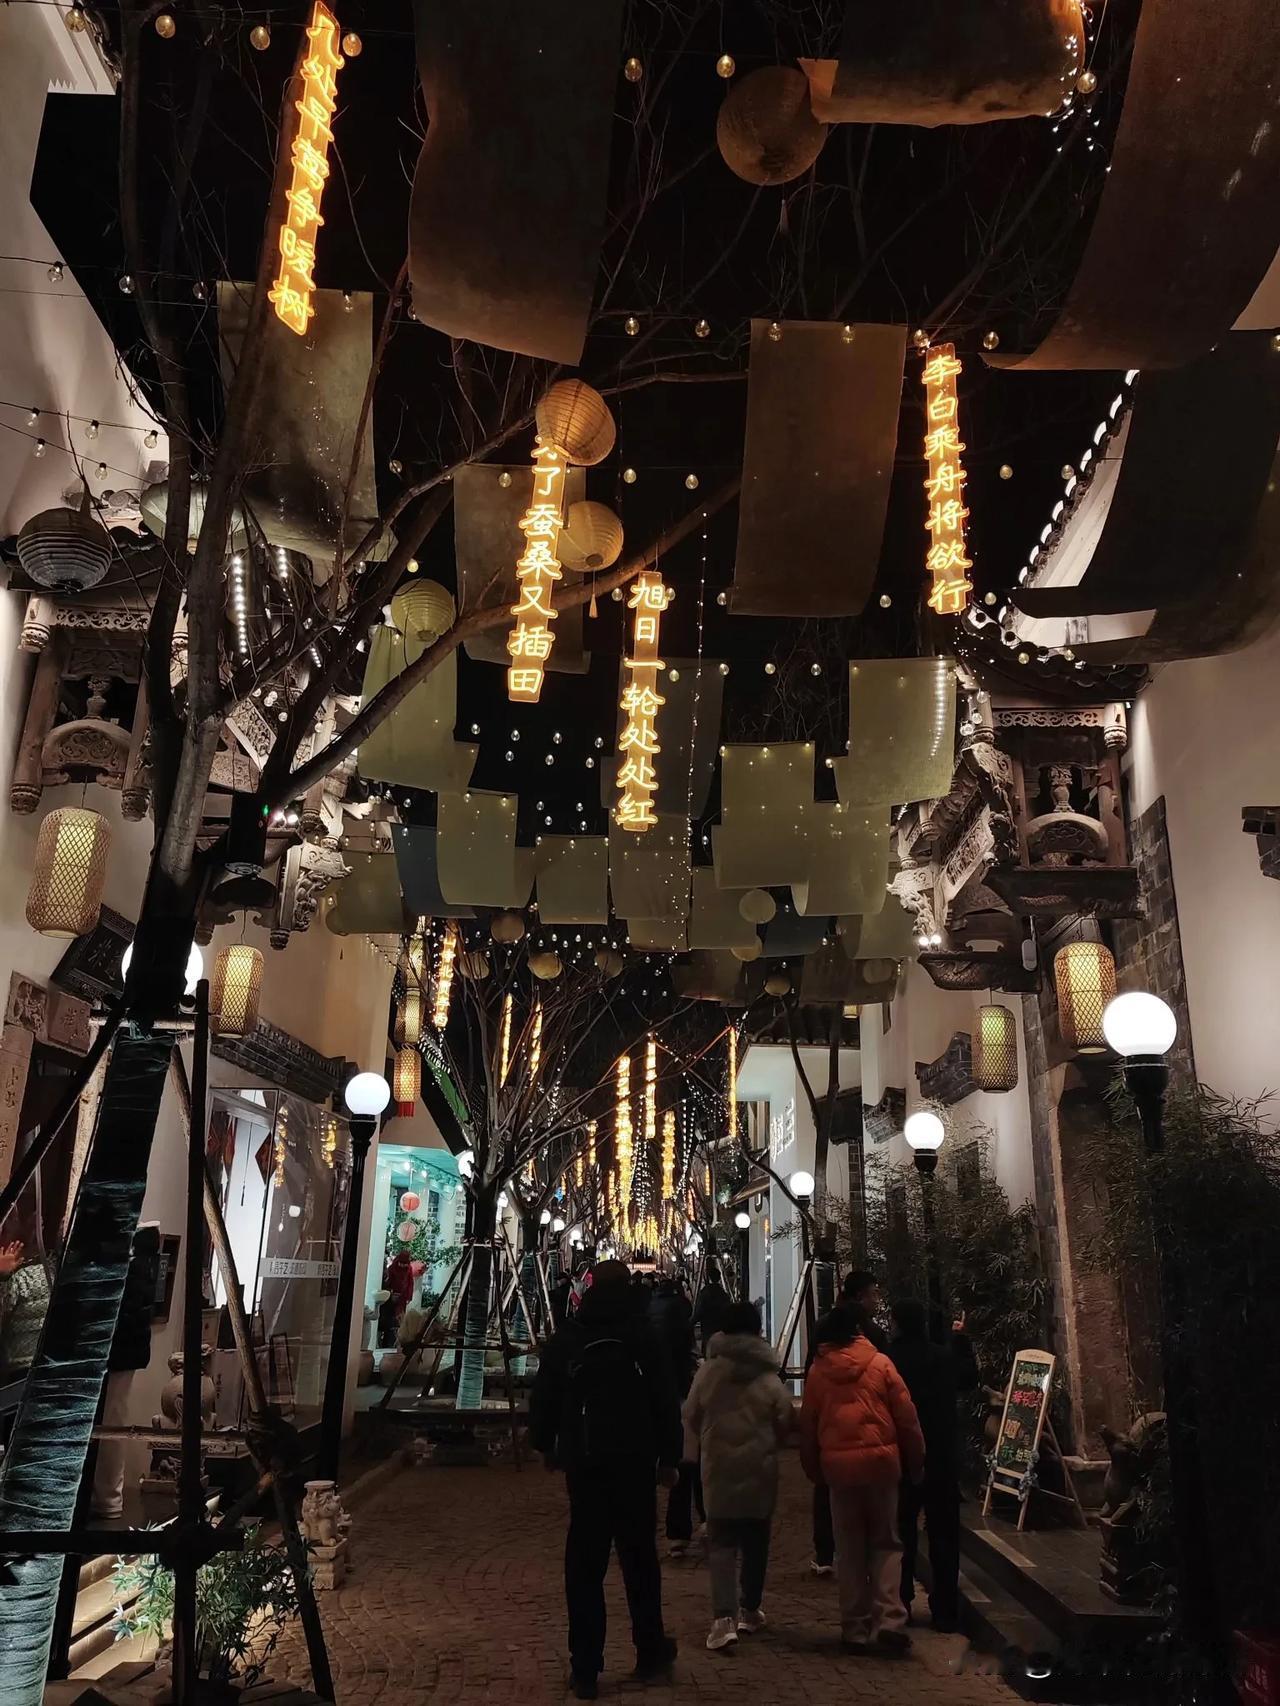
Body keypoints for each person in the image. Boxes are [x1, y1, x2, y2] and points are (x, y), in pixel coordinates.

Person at [530, 1259, 681, 1700]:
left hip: (586, 1461)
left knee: (584, 1566)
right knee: (640, 1561)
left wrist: (546, 1446)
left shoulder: (571, 1335)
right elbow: (665, 1399)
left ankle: (585, 1667)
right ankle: (649, 1650)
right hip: (635, 1461)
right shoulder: (642, 1334)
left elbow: (545, 1396)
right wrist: (669, 1458)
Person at [800, 1302, 925, 1656]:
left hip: (840, 1471)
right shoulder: (880, 1364)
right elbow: (907, 1419)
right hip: (882, 1466)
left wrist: (814, 1471)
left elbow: (807, 1427)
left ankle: (854, 1626)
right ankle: (889, 1621)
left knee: (850, 1548)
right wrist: (916, 1462)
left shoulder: (818, 1372)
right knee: (886, 1543)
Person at [682, 1301, 793, 1652]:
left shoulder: (708, 1372)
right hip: (760, 1466)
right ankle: (750, 1608)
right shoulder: (768, 1375)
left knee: (721, 1543)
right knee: (757, 1540)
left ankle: (723, 1619)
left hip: (718, 1467)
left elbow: (691, 1414)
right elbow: (785, 1419)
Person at [889, 1298, 972, 1631]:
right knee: (944, 1534)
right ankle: (945, 1610)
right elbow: (969, 1378)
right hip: (941, 1456)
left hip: (902, 1457)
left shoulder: (887, 1360)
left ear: (895, 1323)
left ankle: (902, 1601)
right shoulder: (942, 1357)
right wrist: (961, 1339)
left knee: (902, 1532)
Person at [808, 1268, 889, 1576]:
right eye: (874, 1294)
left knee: (826, 1488)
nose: (877, 1300)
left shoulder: (823, 1328)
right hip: (868, 1424)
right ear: (859, 1296)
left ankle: (826, 1554)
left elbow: (812, 1375)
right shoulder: (873, 1335)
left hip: (831, 1423)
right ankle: (860, 1557)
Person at [649, 1274, 704, 1555]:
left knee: (682, 1465)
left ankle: (677, 1533)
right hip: (684, 1397)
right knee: (696, 1466)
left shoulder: (649, 1321)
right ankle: (706, 1521)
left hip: (667, 1399)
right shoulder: (691, 1359)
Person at [691, 1264, 732, 1353]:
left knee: (708, 1351)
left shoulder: (705, 1293)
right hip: (720, 1328)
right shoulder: (723, 1294)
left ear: (709, 1278)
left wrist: (691, 1322)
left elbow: (700, 1310)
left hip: (708, 1327)